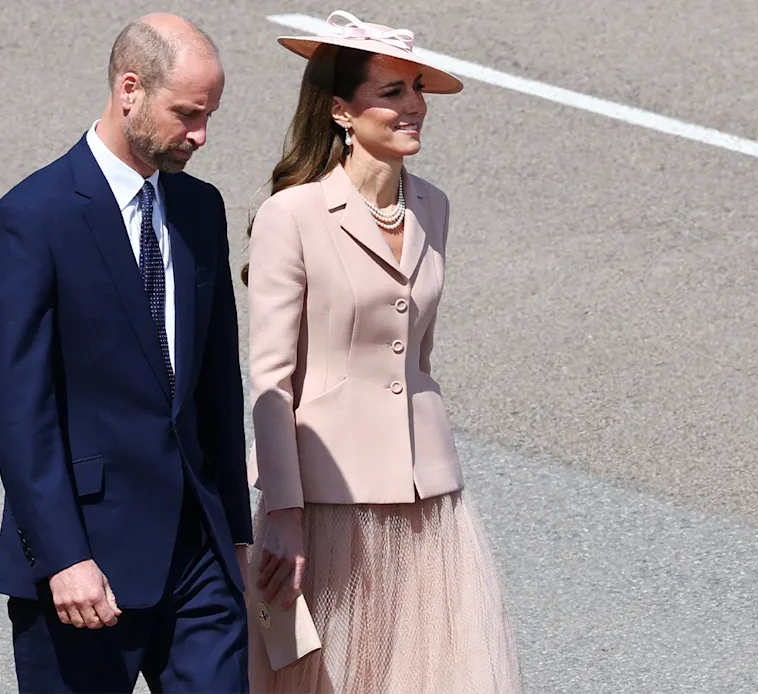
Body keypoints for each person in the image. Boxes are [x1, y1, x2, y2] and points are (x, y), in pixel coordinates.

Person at [0, 14, 252, 693]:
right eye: (187, 114)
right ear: (131, 90)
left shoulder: (199, 209)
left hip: (198, 558)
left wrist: (235, 535)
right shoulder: (30, 220)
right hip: (85, 564)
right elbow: (19, 413)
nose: (201, 136)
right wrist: (63, 556)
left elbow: (217, 382)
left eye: (209, 115)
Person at [245, 11, 521, 693]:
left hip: (428, 499)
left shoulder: (434, 206)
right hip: (328, 502)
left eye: (417, 88)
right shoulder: (292, 215)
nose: (414, 105)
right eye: (392, 91)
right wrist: (284, 514)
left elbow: (417, 356)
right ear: (341, 110)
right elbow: (271, 381)